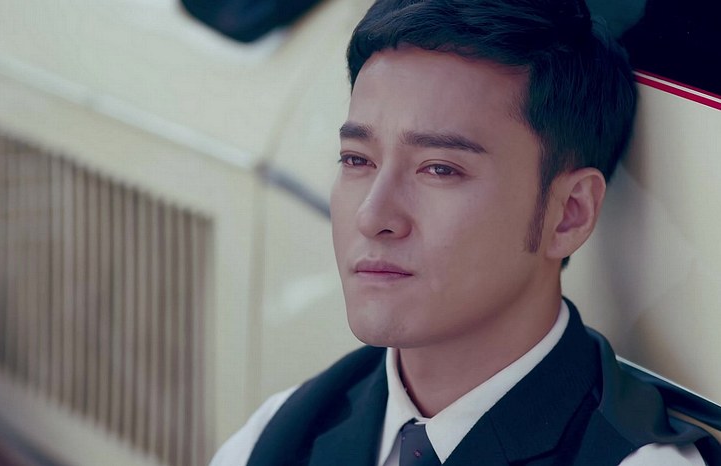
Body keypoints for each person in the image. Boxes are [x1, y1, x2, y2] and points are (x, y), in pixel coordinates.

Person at [211, 0, 721, 464]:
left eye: (440, 169)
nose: (372, 216)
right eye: (357, 160)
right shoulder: (277, 435)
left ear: (568, 213)